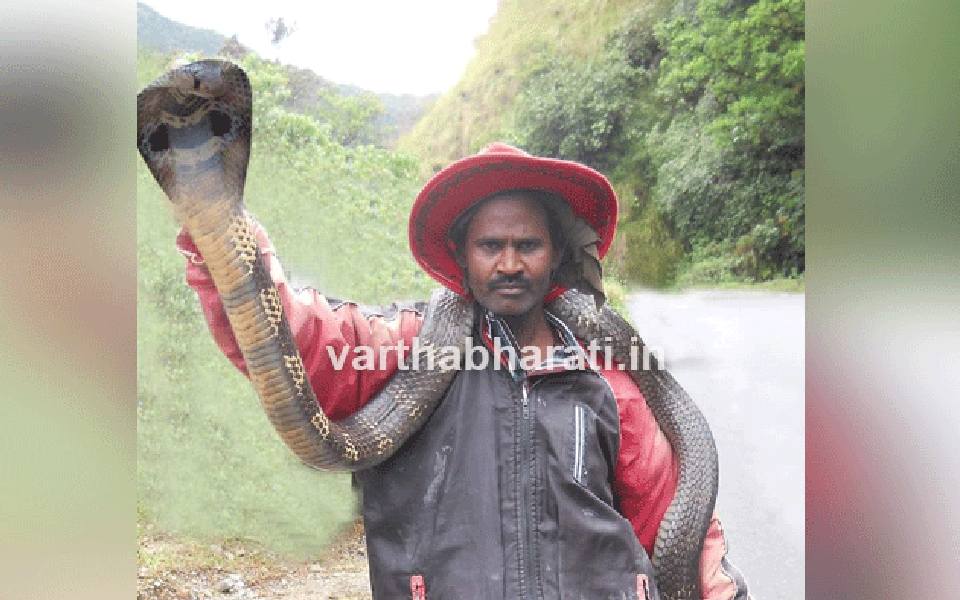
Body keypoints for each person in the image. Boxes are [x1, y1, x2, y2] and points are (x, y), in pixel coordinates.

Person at [175, 143, 750, 600]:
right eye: (490, 245)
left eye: (528, 244)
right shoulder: (404, 347)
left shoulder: (607, 378)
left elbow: (674, 512)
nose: (509, 263)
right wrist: (225, 247)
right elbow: (309, 340)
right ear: (461, 255)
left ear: (553, 256)